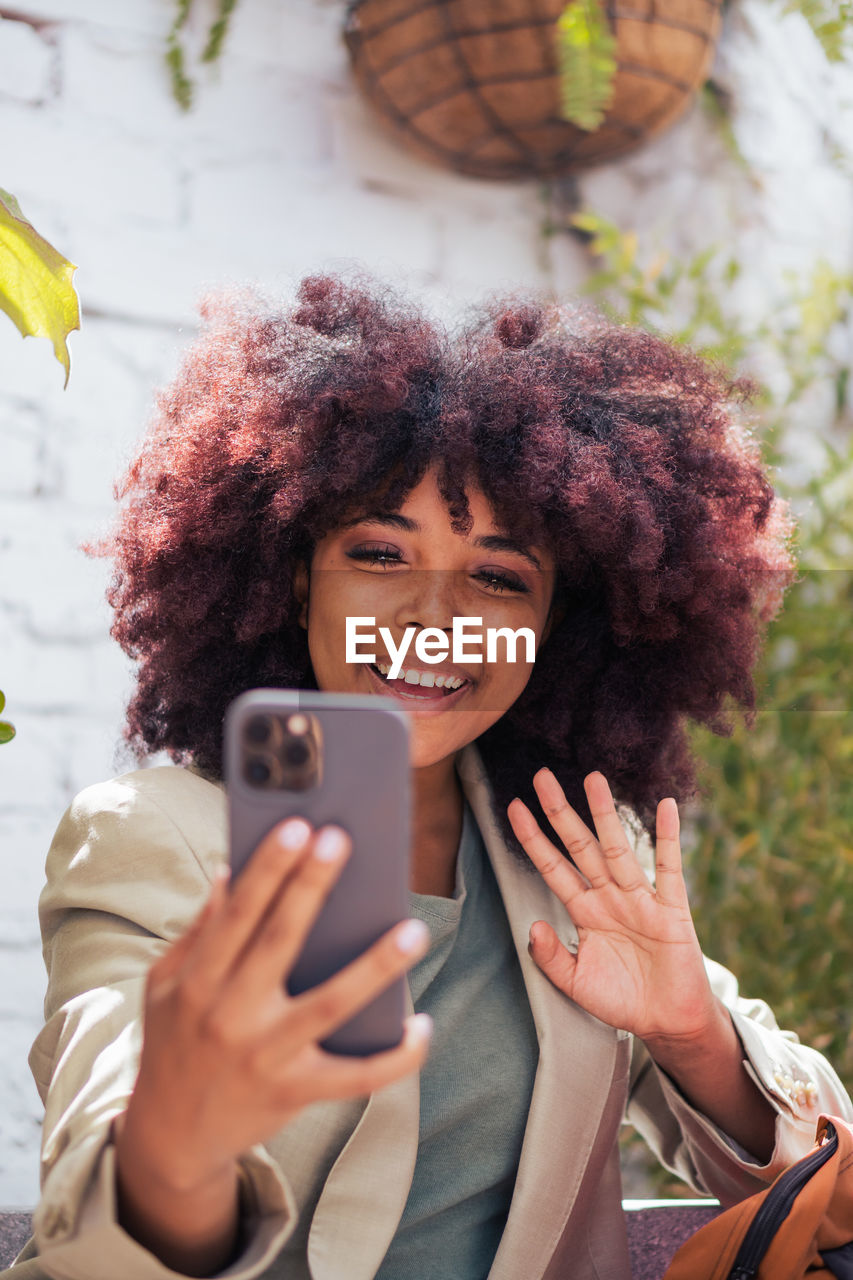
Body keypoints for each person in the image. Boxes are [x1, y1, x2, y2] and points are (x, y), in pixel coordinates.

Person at [7, 274, 852, 1280]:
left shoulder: (573, 850)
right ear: (289, 575)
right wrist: (177, 1136)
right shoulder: (155, 835)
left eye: (498, 576)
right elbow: (100, 1214)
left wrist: (691, 1031)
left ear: (553, 629)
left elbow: (830, 1200)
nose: (431, 617)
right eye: (378, 551)